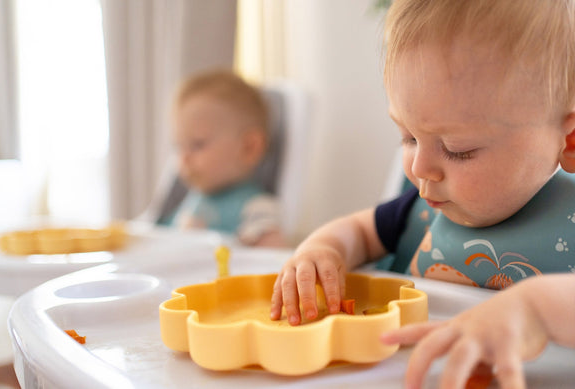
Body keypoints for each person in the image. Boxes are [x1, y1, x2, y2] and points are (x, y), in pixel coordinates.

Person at [270, 0, 575, 325]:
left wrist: (538, 308)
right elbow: (359, 232)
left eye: (457, 149)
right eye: (409, 138)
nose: (419, 168)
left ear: (568, 142)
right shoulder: (420, 211)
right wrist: (322, 251)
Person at [380, 273, 575, 389]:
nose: (421, 199)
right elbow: (361, 233)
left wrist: (535, 306)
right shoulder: (412, 209)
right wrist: (347, 248)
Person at [162, 70, 286, 247]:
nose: (184, 158)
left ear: (248, 148)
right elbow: (158, 235)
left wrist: (261, 242)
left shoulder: (256, 207)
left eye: (197, 145)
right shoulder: (192, 199)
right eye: (178, 147)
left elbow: (272, 254)